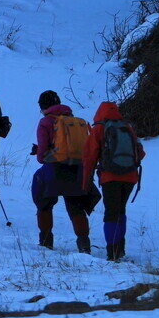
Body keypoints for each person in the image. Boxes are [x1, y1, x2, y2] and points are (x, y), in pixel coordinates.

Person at [31, 91, 100, 253]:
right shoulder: (76, 121)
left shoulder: (45, 122)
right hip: (77, 168)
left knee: (44, 203)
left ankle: (46, 241)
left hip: (54, 169)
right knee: (76, 206)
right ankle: (84, 244)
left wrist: (41, 155)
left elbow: (42, 155)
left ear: (43, 106)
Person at [83, 101, 145, 261]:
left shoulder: (98, 129)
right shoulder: (127, 127)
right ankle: (120, 248)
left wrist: (86, 182)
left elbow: (89, 157)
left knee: (111, 212)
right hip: (130, 177)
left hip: (110, 177)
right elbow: (141, 153)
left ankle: (113, 252)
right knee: (121, 210)